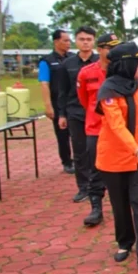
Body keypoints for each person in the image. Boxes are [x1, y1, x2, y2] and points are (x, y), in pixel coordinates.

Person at [95, 42, 138, 271]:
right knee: (120, 204)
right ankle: (125, 242)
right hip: (113, 158)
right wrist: (137, 150)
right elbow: (116, 125)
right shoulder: (108, 90)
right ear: (126, 64)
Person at [77, 33, 122, 227]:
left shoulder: (121, 72)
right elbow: (84, 100)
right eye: (109, 48)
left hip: (118, 129)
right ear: (100, 49)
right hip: (96, 129)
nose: (113, 52)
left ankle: (120, 205)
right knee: (95, 169)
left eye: (116, 48)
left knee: (120, 169)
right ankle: (96, 207)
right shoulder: (86, 73)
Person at [58, 26, 99, 203]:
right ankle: (83, 187)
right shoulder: (67, 65)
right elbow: (62, 91)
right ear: (76, 40)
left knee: (97, 149)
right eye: (82, 39)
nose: (85, 42)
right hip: (75, 112)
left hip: (97, 113)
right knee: (80, 151)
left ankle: (100, 184)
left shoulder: (102, 62)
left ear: (94, 41)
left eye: (89, 39)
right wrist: (62, 114)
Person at [38, 29, 74, 174]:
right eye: (65, 40)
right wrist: (48, 106)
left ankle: (81, 160)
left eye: (69, 40)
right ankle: (66, 161)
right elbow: (44, 83)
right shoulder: (47, 61)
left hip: (73, 100)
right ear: (56, 42)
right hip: (57, 102)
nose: (68, 43)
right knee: (62, 134)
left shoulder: (73, 58)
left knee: (78, 133)